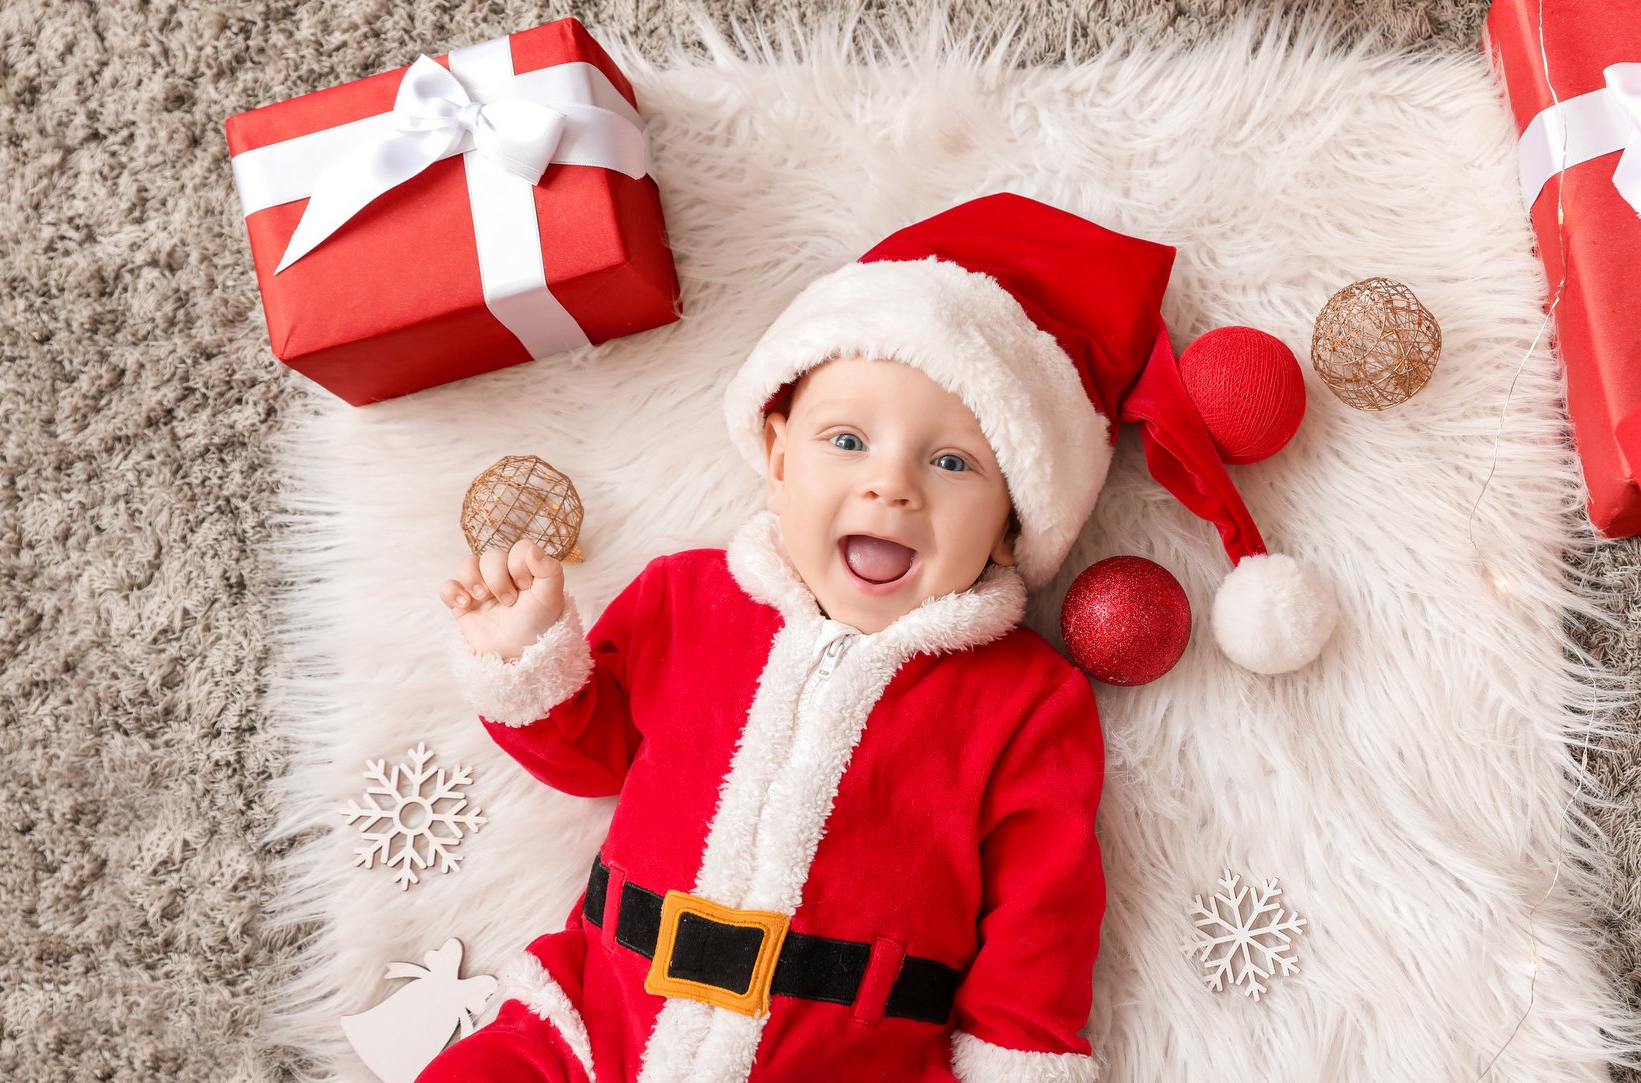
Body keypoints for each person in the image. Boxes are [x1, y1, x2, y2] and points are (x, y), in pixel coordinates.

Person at [420, 192, 1333, 1083]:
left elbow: (1039, 922)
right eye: (847, 440)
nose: (891, 486)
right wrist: (528, 659)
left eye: (951, 463)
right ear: (777, 459)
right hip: (592, 1025)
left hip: (851, 1050)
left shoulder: (1023, 699)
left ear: (1011, 528)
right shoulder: (687, 598)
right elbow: (594, 752)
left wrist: (1016, 1057)